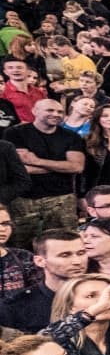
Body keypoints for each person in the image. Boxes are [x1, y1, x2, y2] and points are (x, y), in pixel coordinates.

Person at [5, 100, 85, 246]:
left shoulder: (71, 136)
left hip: (62, 199)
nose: (56, 114)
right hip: (23, 200)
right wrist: (60, 166)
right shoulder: (15, 133)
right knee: (20, 243)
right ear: (35, 111)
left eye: (60, 112)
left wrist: (36, 161)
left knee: (66, 242)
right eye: (50, 110)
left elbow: (77, 167)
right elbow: (19, 168)